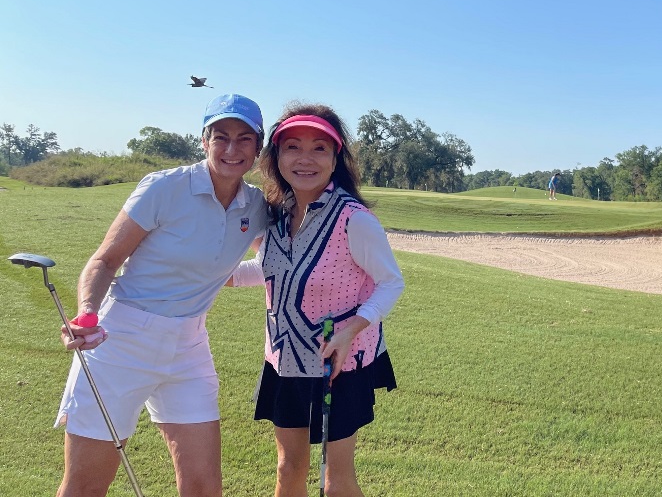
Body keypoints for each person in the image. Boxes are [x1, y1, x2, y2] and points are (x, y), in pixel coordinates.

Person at [56, 94, 269, 497]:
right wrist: (87, 312)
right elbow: (105, 260)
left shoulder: (255, 205)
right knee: (85, 486)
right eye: (220, 136)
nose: (231, 149)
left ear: (258, 148)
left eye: (244, 139)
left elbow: (275, 265)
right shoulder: (164, 187)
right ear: (203, 141)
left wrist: (223, 276)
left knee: (204, 487)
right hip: (120, 341)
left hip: (189, 348)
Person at [229, 102, 404, 497]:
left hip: (339, 362)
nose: (304, 158)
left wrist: (351, 332)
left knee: (336, 482)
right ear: (276, 155)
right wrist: (211, 274)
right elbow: (270, 269)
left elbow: (391, 283)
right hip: (284, 358)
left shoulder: (354, 219)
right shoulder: (275, 213)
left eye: (319, 148)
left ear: (335, 157)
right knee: (288, 469)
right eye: (292, 146)